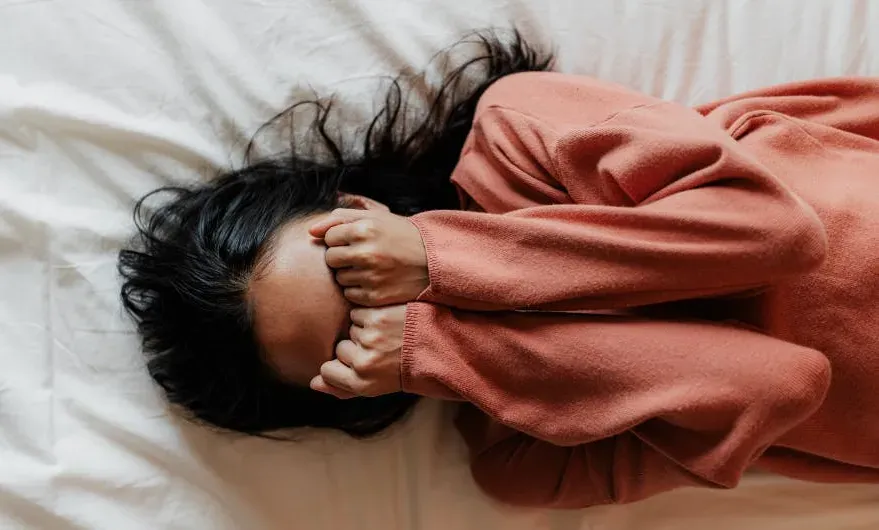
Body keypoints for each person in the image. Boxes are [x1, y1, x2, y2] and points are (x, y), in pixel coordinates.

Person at [119, 29, 879, 508]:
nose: (387, 305)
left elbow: (774, 234)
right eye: (362, 333)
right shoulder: (525, 459)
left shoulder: (518, 137)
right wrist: (451, 346)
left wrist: (445, 259)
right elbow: (780, 383)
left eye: (350, 269)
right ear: (355, 390)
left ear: (353, 206)